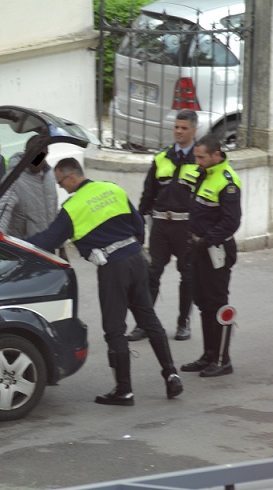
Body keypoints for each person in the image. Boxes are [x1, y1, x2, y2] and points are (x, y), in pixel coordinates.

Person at [26, 157, 183, 405]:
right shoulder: (112, 189)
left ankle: (124, 390)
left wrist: (15, 243)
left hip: (113, 267)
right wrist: (133, 248)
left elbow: (48, 240)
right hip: (135, 259)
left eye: (60, 182)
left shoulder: (73, 207)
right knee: (149, 320)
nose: (61, 187)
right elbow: (138, 224)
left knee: (114, 328)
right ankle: (171, 375)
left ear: (70, 177)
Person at [128, 110, 200, 343]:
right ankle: (144, 324)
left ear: (194, 130)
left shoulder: (200, 160)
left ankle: (183, 323)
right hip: (160, 225)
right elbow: (148, 193)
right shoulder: (161, 157)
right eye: (176, 127)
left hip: (186, 228)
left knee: (187, 276)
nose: (178, 131)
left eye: (184, 128)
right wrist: (138, 223)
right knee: (151, 274)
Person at [181, 133, 241, 378]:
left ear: (216, 155)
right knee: (204, 303)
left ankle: (222, 360)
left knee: (217, 304)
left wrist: (206, 241)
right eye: (196, 157)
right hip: (198, 249)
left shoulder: (228, 182)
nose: (197, 162)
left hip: (216, 250)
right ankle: (209, 355)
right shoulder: (204, 174)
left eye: (201, 157)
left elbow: (231, 223)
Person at [0, 136, 63, 255]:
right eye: (34, 157)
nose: (38, 162)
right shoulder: (14, 179)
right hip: (25, 249)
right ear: (26, 154)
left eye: (41, 157)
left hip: (48, 249)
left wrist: (62, 246)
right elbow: (1, 211)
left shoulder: (49, 175)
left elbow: (53, 210)